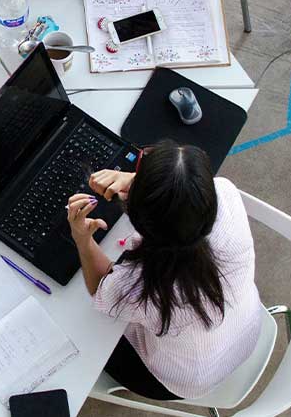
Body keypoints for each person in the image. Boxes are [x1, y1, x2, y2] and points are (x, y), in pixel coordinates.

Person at [66, 141, 261, 400]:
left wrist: (82, 239)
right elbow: (185, 197)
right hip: (244, 333)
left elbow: (100, 287)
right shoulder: (225, 193)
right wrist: (142, 183)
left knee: (82, 323)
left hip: (177, 380)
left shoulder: (140, 287)